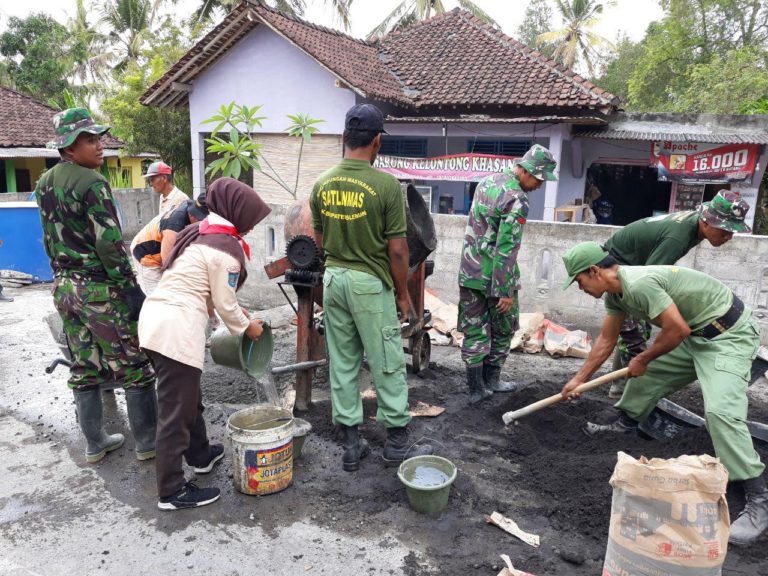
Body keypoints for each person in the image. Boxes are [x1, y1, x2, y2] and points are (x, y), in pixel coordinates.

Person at [560, 241, 767, 546]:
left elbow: (676, 330)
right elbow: (606, 339)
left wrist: (642, 358)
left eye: (578, 280)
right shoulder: (615, 295)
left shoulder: (640, 284)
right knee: (648, 375)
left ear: (595, 271)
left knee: (720, 412)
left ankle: (758, 498)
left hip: (727, 335)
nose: (579, 287)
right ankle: (625, 425)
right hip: (696, 334)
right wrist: (578, 380)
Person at [310, 103, 433, 472]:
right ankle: (395, 440)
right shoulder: (385, 186)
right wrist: (402, 294)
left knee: (344, 363)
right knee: (386, 360)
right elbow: (398, 249)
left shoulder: (322, 183)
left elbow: (318, 241)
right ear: (377, 141)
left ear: (346, 138)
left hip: (333, 279)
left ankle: (351, 443)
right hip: (368, 284)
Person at [138, 177, 270, 511]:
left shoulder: (202, 234)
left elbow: (210, 292)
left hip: (158, 321)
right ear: (236, 212)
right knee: (175, 413)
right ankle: (171, 491)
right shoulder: (224, 249)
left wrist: (239, 314)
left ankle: (200, 456)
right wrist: (249, 328)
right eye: (251, 221)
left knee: (188, 399)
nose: (251, 228)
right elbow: (226, 306)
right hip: (174, 330)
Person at [35, 107, 156, 464]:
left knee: (84, 366)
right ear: (68, 148)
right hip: (99, 291)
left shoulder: (44, 183)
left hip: (65, 289)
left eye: (98, 138)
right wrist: (129, 286)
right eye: (90, 141)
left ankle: (95, 443)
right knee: (134, 365)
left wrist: (62, 274)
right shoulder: (92, 183)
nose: (99, 146)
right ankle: (148, 443)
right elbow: (108, 242)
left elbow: (47, 237)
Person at [603, 190, 751, 399]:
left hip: (632, 265)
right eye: (725, 230)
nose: (729, 236)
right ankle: (625, 390)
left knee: (634, 327)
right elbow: (649, 278)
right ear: (707, 221)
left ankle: (620, 384)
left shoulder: (694, 226)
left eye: (732, 231)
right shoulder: (679, 237)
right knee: (636, 329)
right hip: (617, 267)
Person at [458, 144, 557, 404]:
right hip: (495, 276)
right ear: (527, 171)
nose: (539, 186)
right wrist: (504, 291)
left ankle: (475, 389)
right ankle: (491, 380)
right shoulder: (518, 199)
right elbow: (506, 247)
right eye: (539, 179)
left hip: (470, 271)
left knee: (474, 329)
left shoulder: (488, 181)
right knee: (503, 328)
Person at [130, 196, 209, 295]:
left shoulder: (189, 207)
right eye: (201, 220)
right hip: (145, 253)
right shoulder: (173, 228)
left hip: (160, 246)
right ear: (193, 215)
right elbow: (167, 263)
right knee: (158, 297)